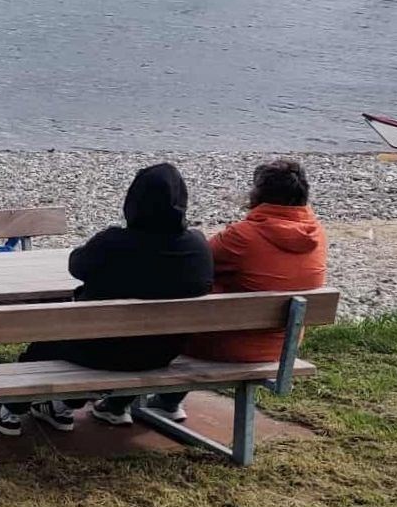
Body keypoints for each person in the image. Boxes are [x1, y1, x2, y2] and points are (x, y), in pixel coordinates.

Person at [0, 163, 213, 437]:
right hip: (160, 353)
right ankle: (60, 407)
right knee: (72, 335)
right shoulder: (197, 247)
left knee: (50, 340)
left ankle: (11, 410)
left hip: (98, 350)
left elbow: (76, 265)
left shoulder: (115, 242)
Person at [120, 159, 328, 422]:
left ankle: (119, 403)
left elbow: (196, 263)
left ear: (260, 194)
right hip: (282, 346)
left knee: (174, 314)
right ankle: (166, 402)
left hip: (229, 346)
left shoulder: (242, 237)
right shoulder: (317, 234)